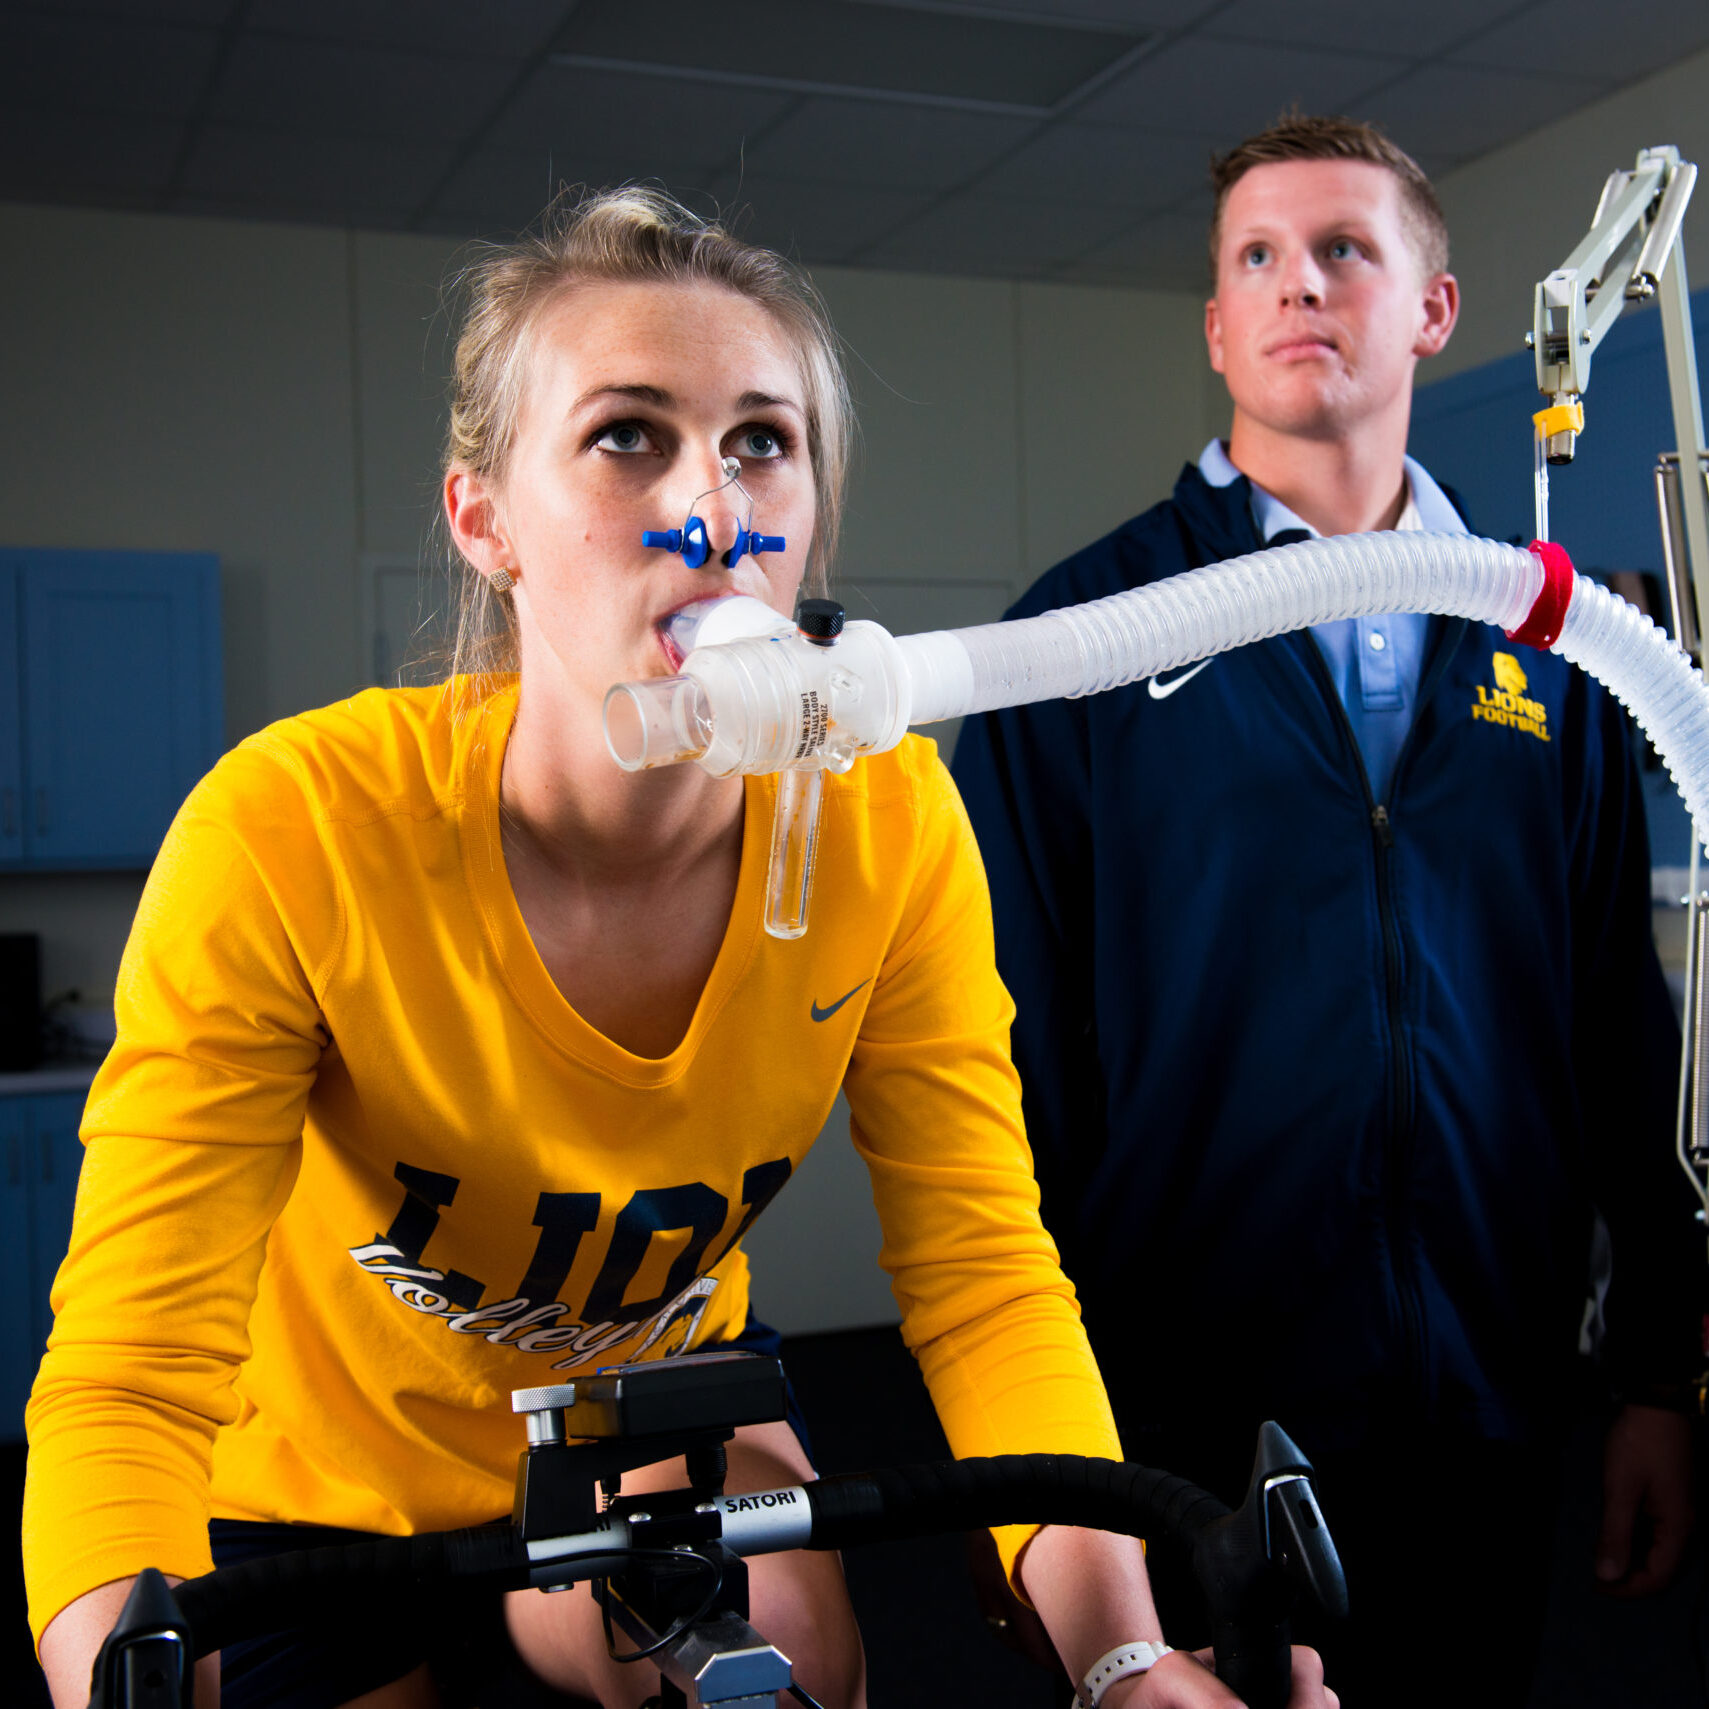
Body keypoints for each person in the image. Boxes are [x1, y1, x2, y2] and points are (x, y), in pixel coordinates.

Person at [23, 189, 1334, 1709]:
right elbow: (125, 1372)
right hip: (321, 1478)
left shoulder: (882, 813)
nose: (711, 507)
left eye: (760, 440)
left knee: (786, 1654)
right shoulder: (290, 832)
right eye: (628, 433)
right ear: (483, 517)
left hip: (644, 1408)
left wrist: (1121, 1655)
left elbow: (984, 1275)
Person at [952, 115, 1703, 1706]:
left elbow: (1612, 1024)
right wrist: (1026, 1459)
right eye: (1257, 259)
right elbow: (989, 1071)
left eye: (1345, 249)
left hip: (1486, 1396)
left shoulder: (1551, 648)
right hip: (1186, 1415)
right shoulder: (1078, 644)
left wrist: (1654, 1371)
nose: (1301, 285)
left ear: (1430, 309)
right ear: (1219, 326)